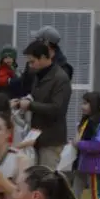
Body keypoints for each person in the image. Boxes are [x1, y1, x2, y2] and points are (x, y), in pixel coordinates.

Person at [18, 39, 71, 171]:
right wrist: (22, 101)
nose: (30, 65)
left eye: (32, 61)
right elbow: (36, 98)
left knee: (48, 179)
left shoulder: (60, 78)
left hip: (51, 140)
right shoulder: (38, 75)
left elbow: (57, 109)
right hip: (37, 137)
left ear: (43, 58)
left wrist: (30, 105)